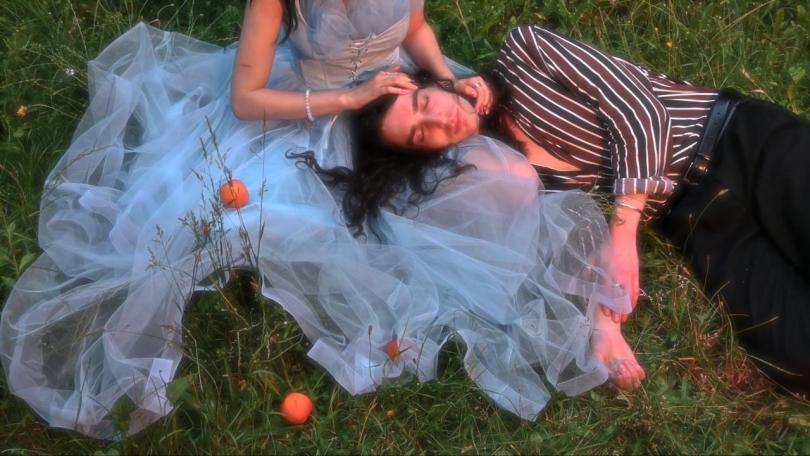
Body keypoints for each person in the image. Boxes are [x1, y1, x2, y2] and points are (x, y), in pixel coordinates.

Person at [0, 2, 642, 440]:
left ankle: (588, 303)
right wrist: (351, 97)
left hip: (404, 96)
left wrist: (444, 76)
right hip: (306, 110)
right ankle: (394, 202)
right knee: (232, 218)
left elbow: (412, 23)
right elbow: (246, 100)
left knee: (510, 181)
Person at [366, 25, 810, 395]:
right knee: (794, 358)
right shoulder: (505, 170)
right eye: (422, 136)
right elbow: (571, 232)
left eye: (425, 104)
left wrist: (624, 233)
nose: (440, 121)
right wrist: (603, 322)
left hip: (736, 139)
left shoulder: (524, 52)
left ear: (429, 82)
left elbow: (640, 109)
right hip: (696, 218)